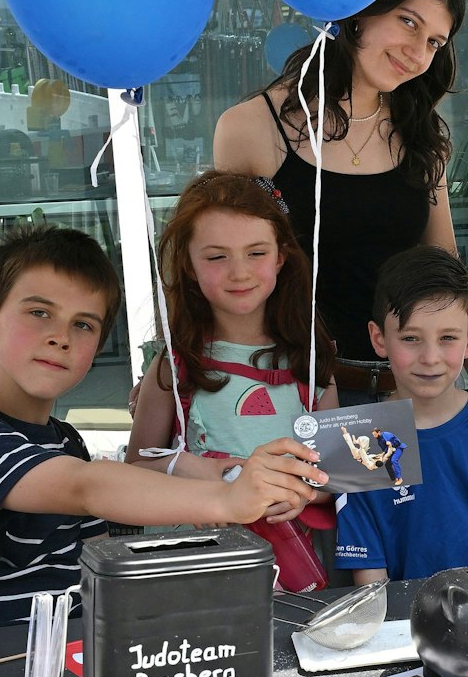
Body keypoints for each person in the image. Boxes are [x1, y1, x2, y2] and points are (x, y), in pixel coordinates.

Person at [0, 223, 324, 614]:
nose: (60, 337)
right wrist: (225, 500)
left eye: (83, 325)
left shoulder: (64, 440)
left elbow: (99, 556)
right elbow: (86, 487)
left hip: (74, 653)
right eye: (39, 312)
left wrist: (199, 473)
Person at [214, 0, 468, 406]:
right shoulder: (253, 127)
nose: (417, 53)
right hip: (295, 392)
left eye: (434, 42)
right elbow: (224, 271)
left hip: (409, 393)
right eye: (408, 21)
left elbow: (444, 267)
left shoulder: (421, 133)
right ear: (362, 9)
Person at [125, 172, 338, 589]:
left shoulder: (313, 364)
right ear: (188, 265)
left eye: (256, 252)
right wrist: (187, 468)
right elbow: (134, 469)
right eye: (216, 257)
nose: (239, 272)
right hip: (193, 571)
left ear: (281, 257)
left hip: (289, 570)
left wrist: (304, 494)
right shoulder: (173, 365)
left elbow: (333, 477)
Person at [334, 246, 468, 584]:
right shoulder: (362, 441)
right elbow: (370, 576)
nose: (430, 358)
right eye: (410, 338)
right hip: (401, 616)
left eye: (447, 338)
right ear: (379, 338)